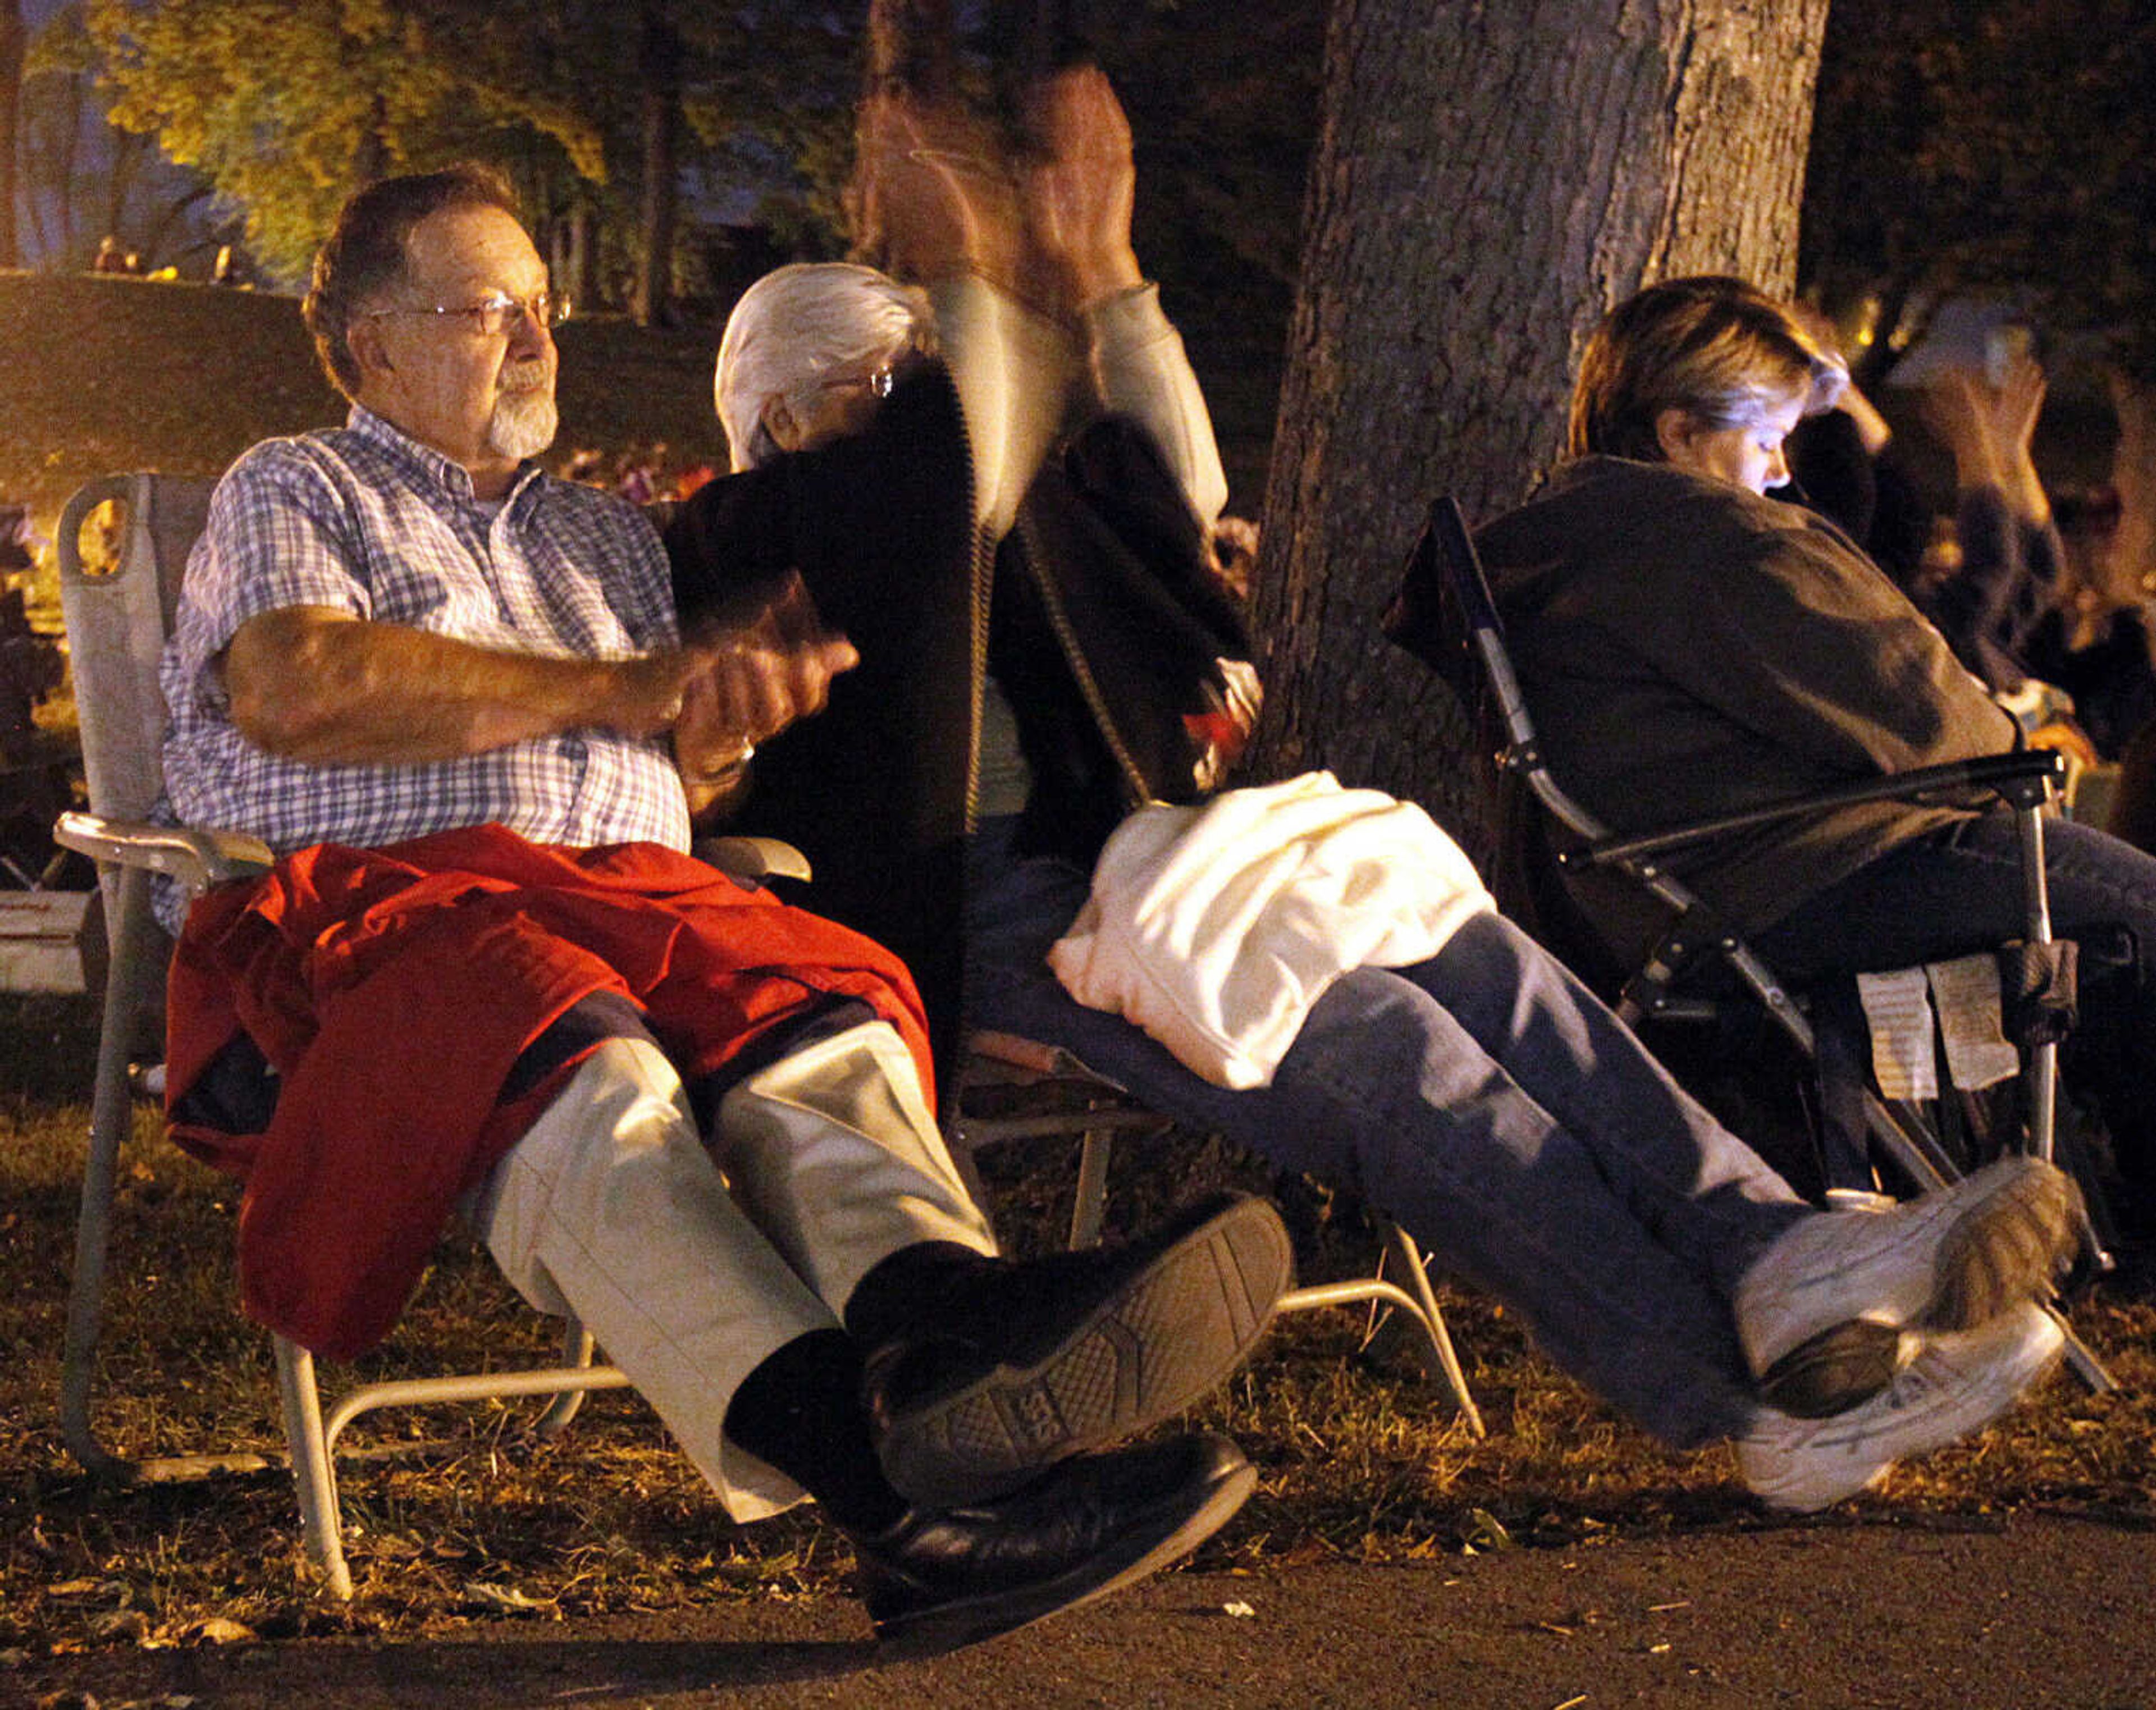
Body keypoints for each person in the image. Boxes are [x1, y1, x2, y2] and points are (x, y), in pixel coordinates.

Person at [665, 68, 2082, 1516]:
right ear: (776, 416)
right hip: (973, 905)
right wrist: (977, 269)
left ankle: (1779, 1259)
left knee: (1490, 970)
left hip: (1130, 854)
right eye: (881, 383)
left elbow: (1163, 485)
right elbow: (957, 475)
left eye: (919, 373)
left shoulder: (950, 488)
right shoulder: (756, 524)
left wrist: (1107, 283)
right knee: (1391, 1055)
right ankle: (1740, 1402)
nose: (917, 398)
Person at [154, 163, 1301, 1653]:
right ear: (374, 349)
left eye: (547, 311)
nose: (540, 342)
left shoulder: (602, 541)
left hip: (632, 897)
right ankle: (905, 1503)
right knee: (593, 1064)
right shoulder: (300, 485)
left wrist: (721, 727)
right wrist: (628, 685)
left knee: (809, 1015)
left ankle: (952, 1328)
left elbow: (658, 784)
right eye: (491, 308)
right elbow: (296, 684)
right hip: (392, 914)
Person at [1476, 274, 2156, 1234]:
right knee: (2142, 919)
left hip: (1676, 885)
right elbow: (1930, 716)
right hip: (1801, 870)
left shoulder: (1573, 536)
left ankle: (2107, 1212)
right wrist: (2005, 740)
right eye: (1764, 439)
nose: (1782, 469)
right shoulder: (1711, 542)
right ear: (1677, 433)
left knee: (2108, 931)